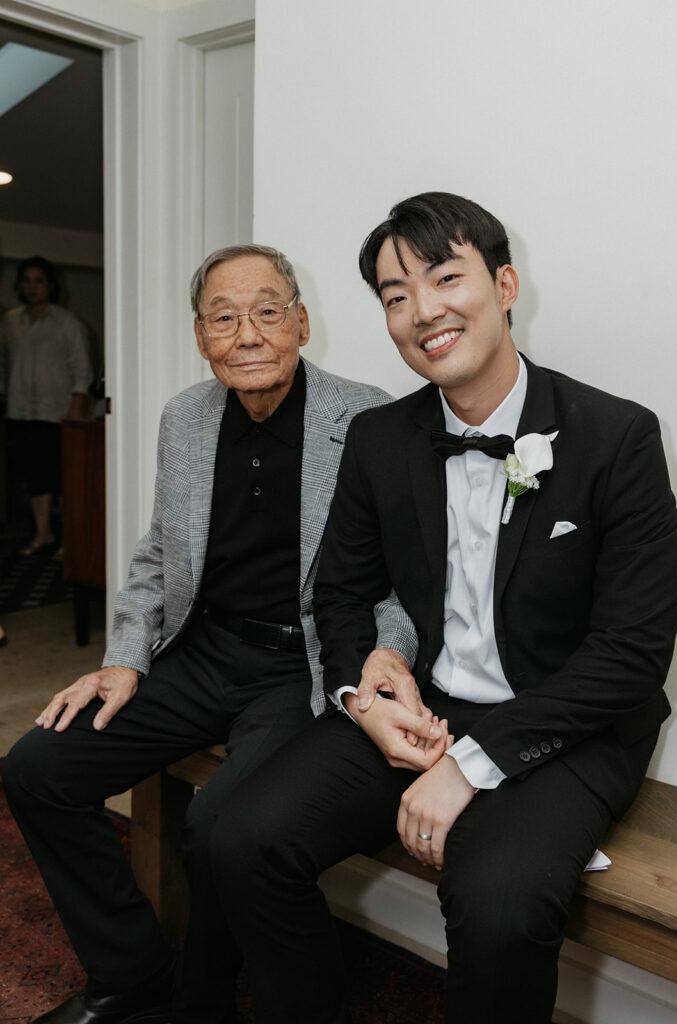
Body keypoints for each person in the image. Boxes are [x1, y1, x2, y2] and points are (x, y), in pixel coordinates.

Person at [210, 194, 677, 1024]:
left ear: (504, 285)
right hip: (425, 708)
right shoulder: (379, 439)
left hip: (566, 724)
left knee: (499, 904)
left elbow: (630, 656)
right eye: (395, 295)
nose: (422, 310)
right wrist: (365, 692)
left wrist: (468, 765)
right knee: (239, 838)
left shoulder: (618, 437)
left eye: (444, 276)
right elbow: (341, 595)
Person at [3, 244, 416, 1024]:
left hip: (304, 664)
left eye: (266, 312)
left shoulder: (365, 418)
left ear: (300, 321)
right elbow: (159, 552)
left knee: (216, 822)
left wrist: (376, 670)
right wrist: (124, 660)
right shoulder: (184, 416)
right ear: (200, 337)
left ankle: (199, 1003)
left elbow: (398, 580)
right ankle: (132, 970)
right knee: (36, 769)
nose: (247, 334)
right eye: (223, 318)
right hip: (199, 650)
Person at [0, 256, 91, 554]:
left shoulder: (67, 322)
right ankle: (44, 534)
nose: (32, 287)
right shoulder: (10, 321)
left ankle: (70, 541)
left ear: (50, 285)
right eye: (26, 280)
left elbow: (82, 369)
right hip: (20, 412)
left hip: (58, 413)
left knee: (63, 479)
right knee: (35, 477)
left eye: (39, 280)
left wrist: (76, 409)